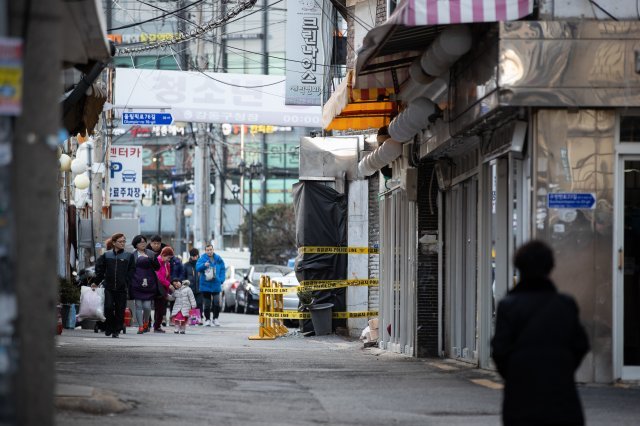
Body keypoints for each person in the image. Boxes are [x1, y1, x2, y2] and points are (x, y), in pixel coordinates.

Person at [491, 240, 590, 426]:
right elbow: (581, 344)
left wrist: (514, 374)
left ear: (519, 267)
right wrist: (563, 369)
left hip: (520, 396)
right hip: (562, 395)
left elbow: (499, 350)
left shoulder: (509, 306)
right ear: (550, 266)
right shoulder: (565, 304)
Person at [94, 232, 135, 338]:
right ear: (113, 242)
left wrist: (126, 281)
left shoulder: (128, 256)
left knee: (120, 309)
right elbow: (100, 269)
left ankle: (116, 330)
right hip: (108, 287)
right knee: (107, 308)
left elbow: (132, 271)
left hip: (122, 288)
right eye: (120, 241)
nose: (122, 243)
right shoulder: (106, 255)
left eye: (124, 241)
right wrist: (95, 282)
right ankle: (109, 327)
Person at [129, 234, 160, 334]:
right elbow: (130, 270)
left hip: (149, 283)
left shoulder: (151, 253)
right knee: (138, 306)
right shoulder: (132, 255)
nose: (143, 244)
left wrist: (150, 259)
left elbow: (157, 267)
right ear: (135, 244)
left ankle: (146, 322)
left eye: (144, 242)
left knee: (147, 306)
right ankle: (140, 326)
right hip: (136, 282)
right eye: (140, 242)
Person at [196, 244, 226, 327]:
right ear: (205, 251)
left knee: (216, 302)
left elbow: (223, 269)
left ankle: (215, 318)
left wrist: (221, 279)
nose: (209, 251)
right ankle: (207, 319)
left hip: (216, 284)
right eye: (207, 250)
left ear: (213, 250)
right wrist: (203, 265)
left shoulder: (218, 259)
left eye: (210, 249)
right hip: (205, 285)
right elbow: (197, 268)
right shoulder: (202, 258)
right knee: (207, 304)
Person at [153, 246, 175, 333]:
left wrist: (168, 288)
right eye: (168, 257)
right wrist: (169, 285)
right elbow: (159, 277)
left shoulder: (167, 264)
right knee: (159, 308)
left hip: (163, 289)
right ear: (164, 255)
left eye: (170, 258)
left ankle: (157, 326)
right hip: (157, 288)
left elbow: (167, 277)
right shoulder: (157, 261)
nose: (169, 260)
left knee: (161, 308)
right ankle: (155, 326)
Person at [182, 248, 202, 324]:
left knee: (199, 303)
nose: (194, 257)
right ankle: (193, 319)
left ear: (198, 255)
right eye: (192, 256)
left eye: (195, 256)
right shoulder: (186, 265)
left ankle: (199, 319)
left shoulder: (200, 264)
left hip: (200, 287)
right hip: (190, 288)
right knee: (191, 304)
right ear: (190, 256)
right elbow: (183, 276)